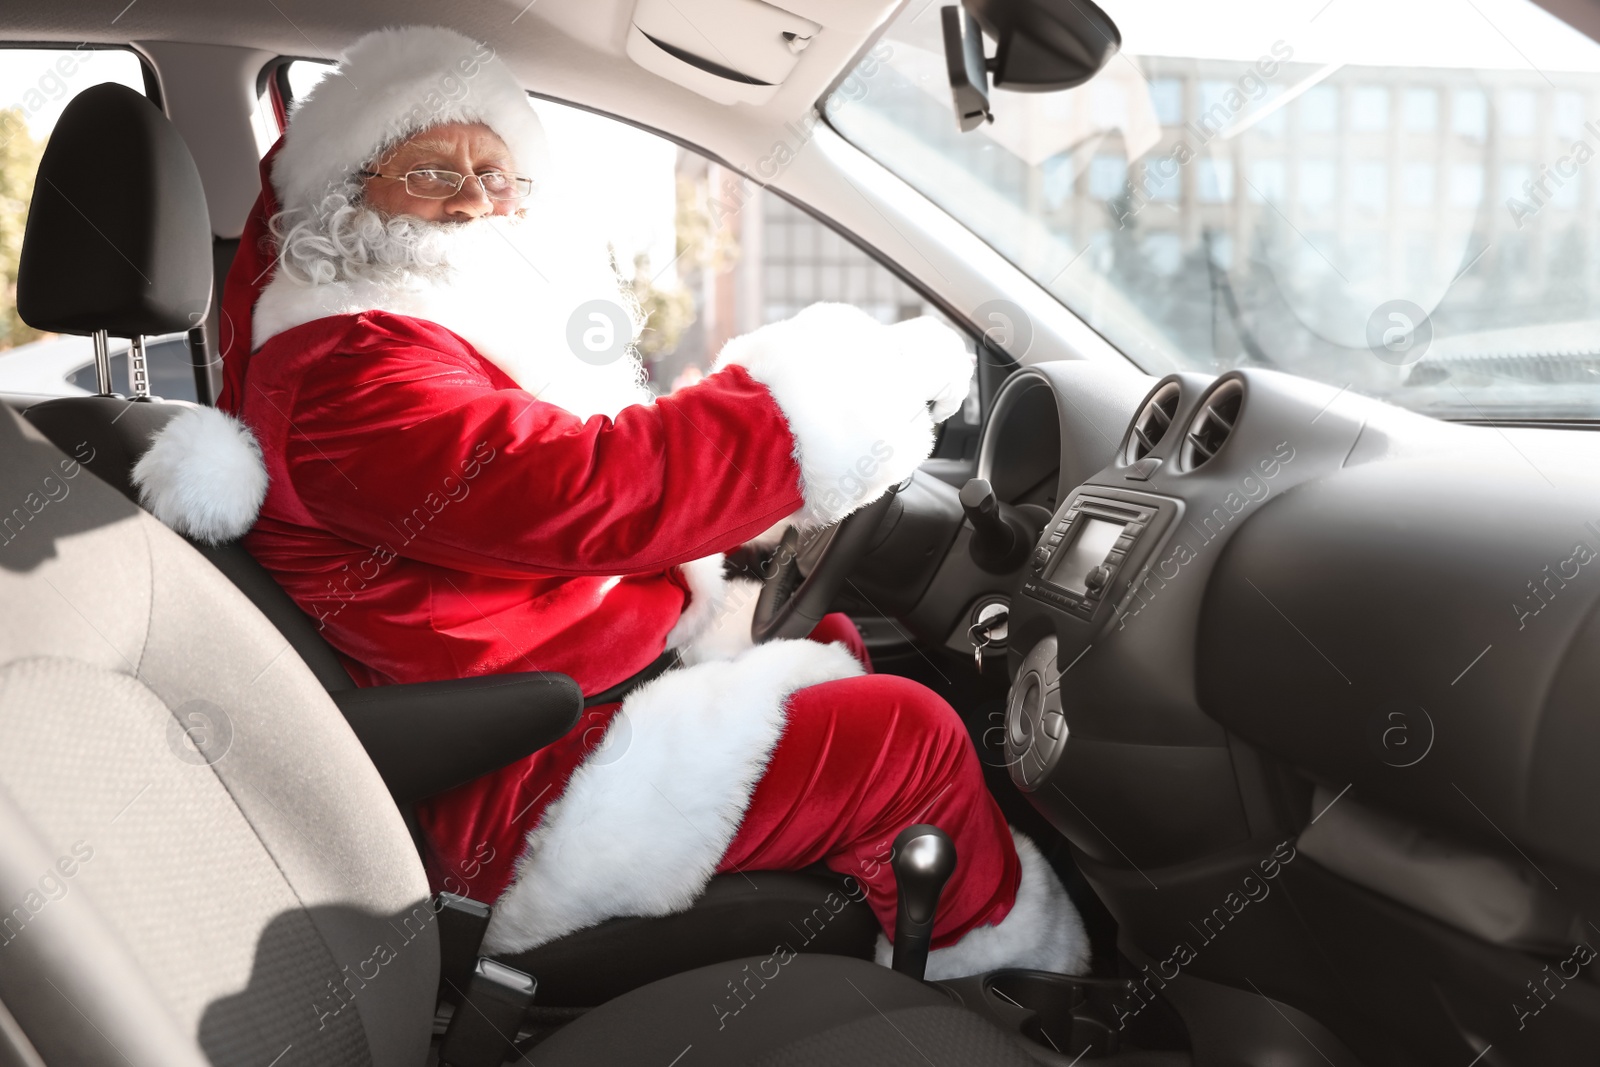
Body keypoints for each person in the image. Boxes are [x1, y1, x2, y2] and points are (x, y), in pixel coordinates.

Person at [133, 25, 1088, 977]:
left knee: (834, 653)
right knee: (905, 740)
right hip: (520, 792)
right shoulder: (346, 372)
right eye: (430, 173)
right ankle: (1012, 987)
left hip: (563, 715)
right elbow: (589, 488)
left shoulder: (415, 340)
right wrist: (825, 404)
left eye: (498, 174)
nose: (475, 202)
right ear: (347, 198)